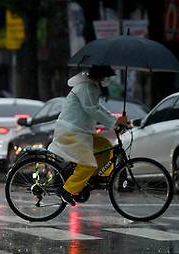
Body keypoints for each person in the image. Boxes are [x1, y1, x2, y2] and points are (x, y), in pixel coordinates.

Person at [48, 65, 128, 206]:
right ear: (100, 76)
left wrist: (116, 120)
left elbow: (98, 108)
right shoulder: (87, 87)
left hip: (80, 132)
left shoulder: (90, 86)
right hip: (72, 132)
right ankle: (67, 189)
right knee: (87, 165)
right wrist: (115, 123)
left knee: (105, 146)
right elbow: (92, 110)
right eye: (106, 76)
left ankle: (89, 180)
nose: (107, 79)